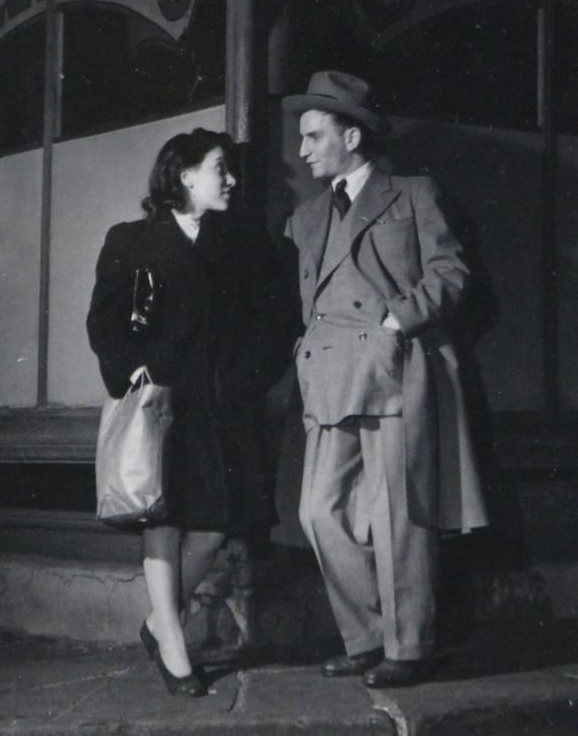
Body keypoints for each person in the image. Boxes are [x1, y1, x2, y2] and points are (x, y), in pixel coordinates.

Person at [282, 70, 490, 688]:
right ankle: (367, 633)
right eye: (302, 138)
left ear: (351, 135)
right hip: (328, 377)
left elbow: (453, 272)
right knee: (317, 511)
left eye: (314, 135)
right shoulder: (306, 216)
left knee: (400, 513)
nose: (303, 149)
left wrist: (399, 320)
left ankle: (409, 645)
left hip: (395, 370)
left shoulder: (413, 194)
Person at [86, 128, 289, 697]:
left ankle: (157, 622)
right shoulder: (130, 240)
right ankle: (175, 646)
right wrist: (132, 373)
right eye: (220, 168)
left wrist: (246, 378)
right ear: (184, 175)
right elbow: (103, 323)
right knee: (163, 519)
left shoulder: (244, 243)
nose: (230, 180)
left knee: (213, 525)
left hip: (223, 403)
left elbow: (276, 320)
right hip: (163, 402)